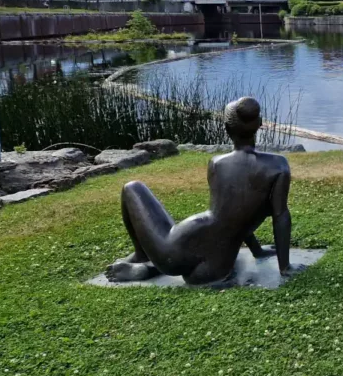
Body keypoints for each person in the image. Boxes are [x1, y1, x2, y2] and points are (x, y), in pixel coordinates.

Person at [106, 97, 294, 285]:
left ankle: (142, 257)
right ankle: (147, 268)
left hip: (176, 251)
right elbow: (275, 216)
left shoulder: (217, 164)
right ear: (260, 124)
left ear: (227, 128)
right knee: (205, 260)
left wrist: (265, 256)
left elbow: (228, 213)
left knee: (132, 188)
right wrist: (281, 266)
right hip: (217, 266)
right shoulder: (278, 166)